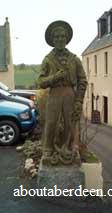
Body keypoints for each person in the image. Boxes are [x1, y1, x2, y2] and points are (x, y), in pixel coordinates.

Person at [38, 20, 87, 166]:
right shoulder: (48, 59)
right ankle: (48, 149)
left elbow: (82, 80)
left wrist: (79, 100)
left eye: (62, 37)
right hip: (54, 94)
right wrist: (54, 77)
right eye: (57, 37)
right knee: (51, 122)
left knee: (70, 123)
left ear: (66, 39)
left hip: (70, 94)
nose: (60, 39)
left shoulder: (75, 59)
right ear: (52, 40)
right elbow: (40, 81)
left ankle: (71, 147)